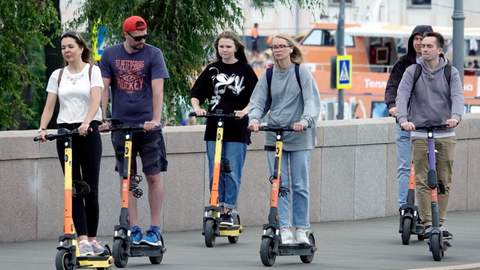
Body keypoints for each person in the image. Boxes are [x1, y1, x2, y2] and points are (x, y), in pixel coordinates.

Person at [99, 15, 169, 246]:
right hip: (121, 125)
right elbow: (104, 88)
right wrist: (105, 117)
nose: (141, 41)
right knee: (127, 178)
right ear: (125, 34)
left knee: (153, 176)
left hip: (147, 126)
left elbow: (158, 89)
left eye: (144, 37)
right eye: (137, 37)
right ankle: (135, 226)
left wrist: (156, 119)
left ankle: (156, 228)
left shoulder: (154, 54)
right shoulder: (110, 54)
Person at [247, 34, 320, 244]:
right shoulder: (268, 75)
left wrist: (305, 121)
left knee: (300, 184)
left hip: (299, 135)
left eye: (281, 46)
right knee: (280, 184)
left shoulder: (301, 72)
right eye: (274, 47)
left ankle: (301, 229)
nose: (277, 50)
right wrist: (254, 119)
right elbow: (259, 102)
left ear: (290, 49)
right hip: (274, 134)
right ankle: (285, 227)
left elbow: (311, 101)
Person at [38, 31, 104, 256]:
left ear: (81, 48)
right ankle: (82, 239)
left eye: (70, 46)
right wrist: (43, 128)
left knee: (91, 188)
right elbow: (49, 105)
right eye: (63, 47)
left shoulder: (92, 71)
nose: (66, 50)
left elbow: (95, 100)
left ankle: (93, 238)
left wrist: (87, 122)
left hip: (88, 130)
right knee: (74, 188)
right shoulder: (57, 75)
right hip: (66, 131)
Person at [396, 32, 464, 237]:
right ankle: (427, 224)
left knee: (443, 180)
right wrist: (403, 119)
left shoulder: (450, 73)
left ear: (439, 50)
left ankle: (439, 223)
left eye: (429, 46)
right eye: (423, 46)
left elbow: (457, 97)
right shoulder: (412, 71)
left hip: (445, 132)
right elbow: (402, 96)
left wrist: (456, 117)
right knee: (422, 180)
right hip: (419, 131)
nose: (424, 49)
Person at [190, 31, 258, 225]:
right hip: (214, 125)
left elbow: (257, 98)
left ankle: (228, 209)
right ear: (217, 48)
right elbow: (196, 93)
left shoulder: (245, 70)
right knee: (215, 168)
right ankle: (216, 204)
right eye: (221, 46)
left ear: (236, 47)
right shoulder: (212, 69)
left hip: (237, 127)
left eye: (228, 46)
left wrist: (245, 111)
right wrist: (198, 108)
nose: (224, 50)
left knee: (232, 170)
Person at [384, 25, 433, 208]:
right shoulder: (403, 63)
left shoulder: (439, 65)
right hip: (404, 121)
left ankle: (425, 211)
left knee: (426, 169)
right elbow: (391, 88)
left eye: (424, 39)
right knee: (404, 168)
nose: (420, 43)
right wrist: (393, 106)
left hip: (427, 124)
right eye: (416, 39)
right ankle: (404, 208)